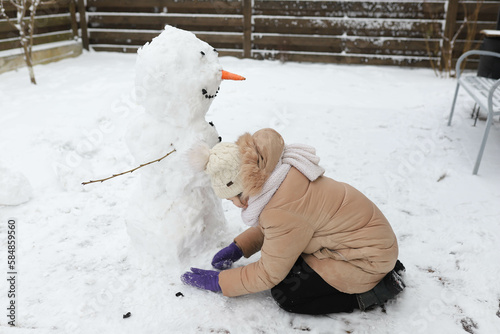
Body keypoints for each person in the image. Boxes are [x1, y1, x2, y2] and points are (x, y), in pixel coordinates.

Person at [182, 128, 405, 314]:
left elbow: (268, 272)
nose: (237, 206)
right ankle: (383, 270)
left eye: (233, 199)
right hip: (367, 242)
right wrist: (240, 247)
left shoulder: (282, 210)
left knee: (288, 294)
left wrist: (221, 282)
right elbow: (281, 226)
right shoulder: (281, 176)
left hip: (365, 261)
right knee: (291, 265)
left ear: (245, 188)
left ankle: (376, 290)